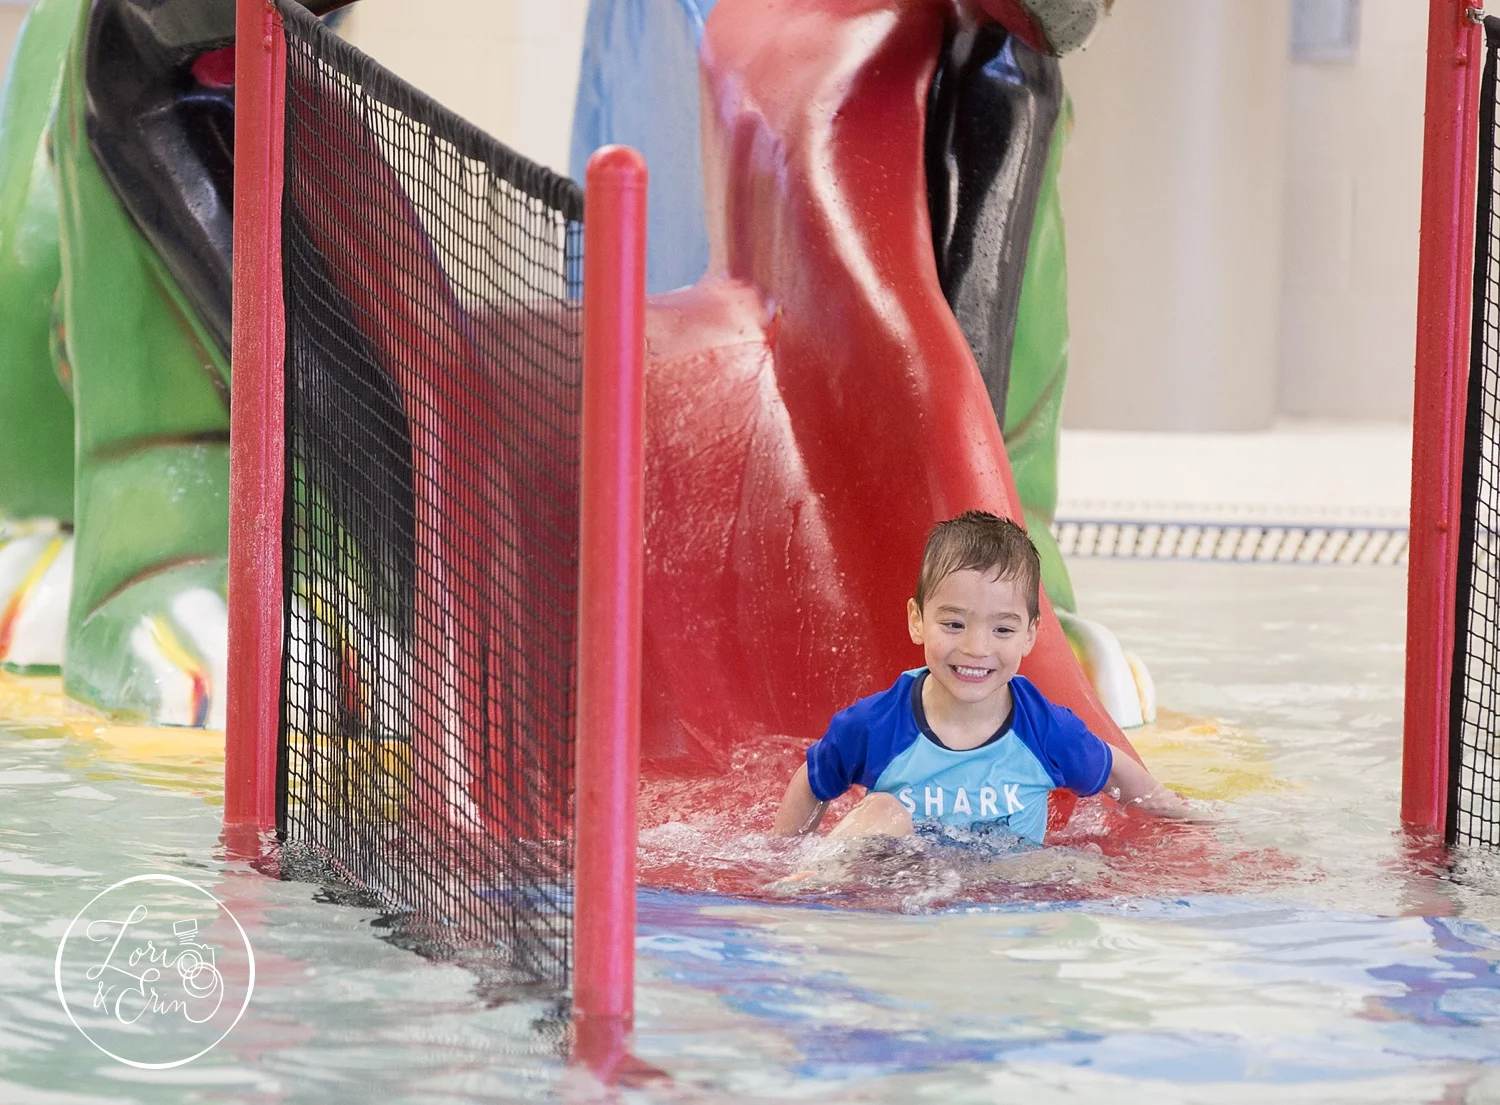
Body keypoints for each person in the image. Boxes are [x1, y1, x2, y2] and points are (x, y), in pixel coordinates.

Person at [771, 510, 1191, 843]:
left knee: (1066, 865)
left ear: (1030, 635)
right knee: (883, 812)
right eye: (954, 625)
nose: (976, 648)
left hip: (1005, 893)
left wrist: (1179, 813)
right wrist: (784, 852)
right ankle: (807, 889)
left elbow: (1113, 768)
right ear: (917, 621)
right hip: (901, 893)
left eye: (1002, 629)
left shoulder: (1043, 730)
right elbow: (812, 781)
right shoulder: (877, 725)